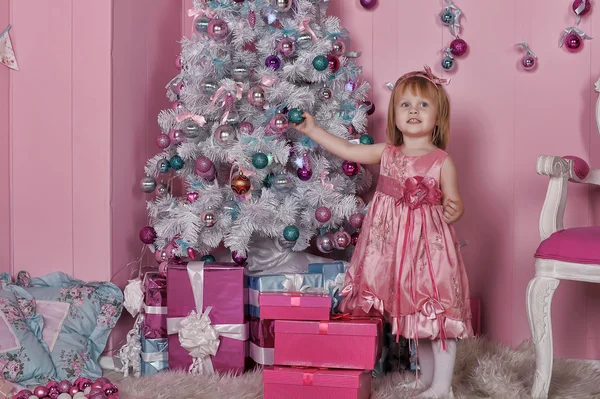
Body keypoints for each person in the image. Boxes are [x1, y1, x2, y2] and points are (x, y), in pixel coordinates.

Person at [293, 65, 473, 398]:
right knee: (415, 313)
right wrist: (314, 129)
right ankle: (426, 378)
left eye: (423, 105)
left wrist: (454, 207)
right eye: (405, 105)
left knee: (436, 313)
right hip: (392, 250)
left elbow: (455, 201)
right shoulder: (387, 154)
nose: (413, 111)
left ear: (439, 116)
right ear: (395, 115)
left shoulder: (441, 161)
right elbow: (348, 150)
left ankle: (443, 387)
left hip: (428, 251)